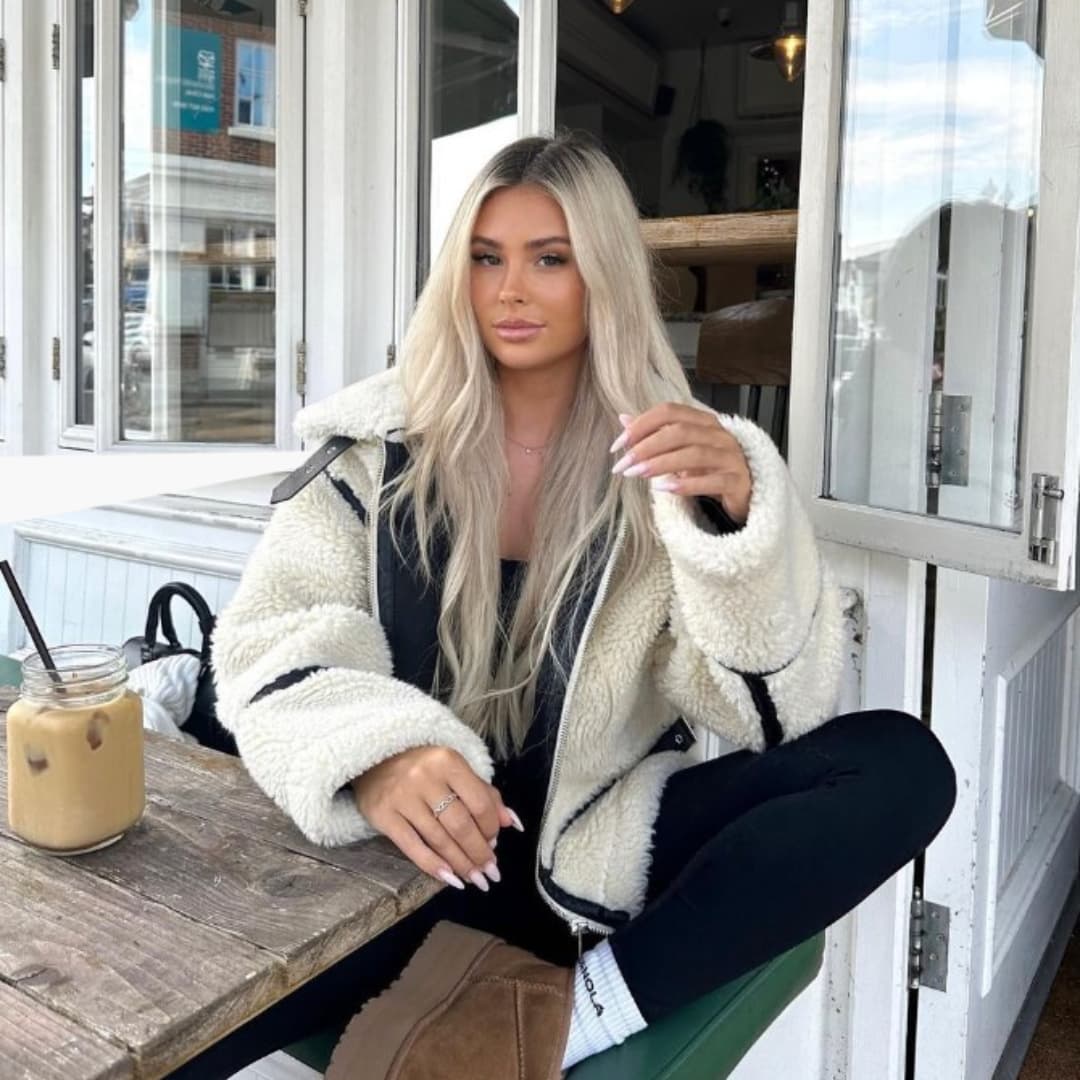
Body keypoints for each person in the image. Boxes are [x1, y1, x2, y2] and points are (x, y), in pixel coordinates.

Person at [199, 131, 956, 1080]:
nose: (510, 291)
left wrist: (735, 530)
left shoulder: (670, 468)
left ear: (603, 275)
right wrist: (378, 760)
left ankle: (573, 1018)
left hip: (589, 855)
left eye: (550, 259)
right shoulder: (372, 449)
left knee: (899, 764)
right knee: (167, 1036)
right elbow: (268, 641)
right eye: (487, 259)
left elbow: (769, 715)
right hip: (400, 857)